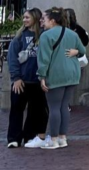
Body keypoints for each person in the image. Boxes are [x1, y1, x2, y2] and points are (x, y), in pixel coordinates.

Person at [36, 7, 86, 150]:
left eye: (44, 20)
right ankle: (63, 137)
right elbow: (83, 50)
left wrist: (42, 76)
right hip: (72, 74)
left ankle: (53, 139)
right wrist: (75, 51)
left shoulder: (46, 36)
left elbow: (44, 59)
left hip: (56, 74)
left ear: (52, 20)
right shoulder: (72, 34)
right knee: (64, 106)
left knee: (54, 108)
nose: (43, 23)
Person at [7, 8, 47, 149]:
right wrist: (16, 77)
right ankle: (14, 138)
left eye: (27, 18)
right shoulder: (19, 37)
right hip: (21, 80)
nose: (24, 20)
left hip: (37, 81)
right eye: (23, 17)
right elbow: (12, 58)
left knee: (35, 111)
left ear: (35, 19)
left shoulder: (44, 36)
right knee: (17, 109)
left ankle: (29, 136)